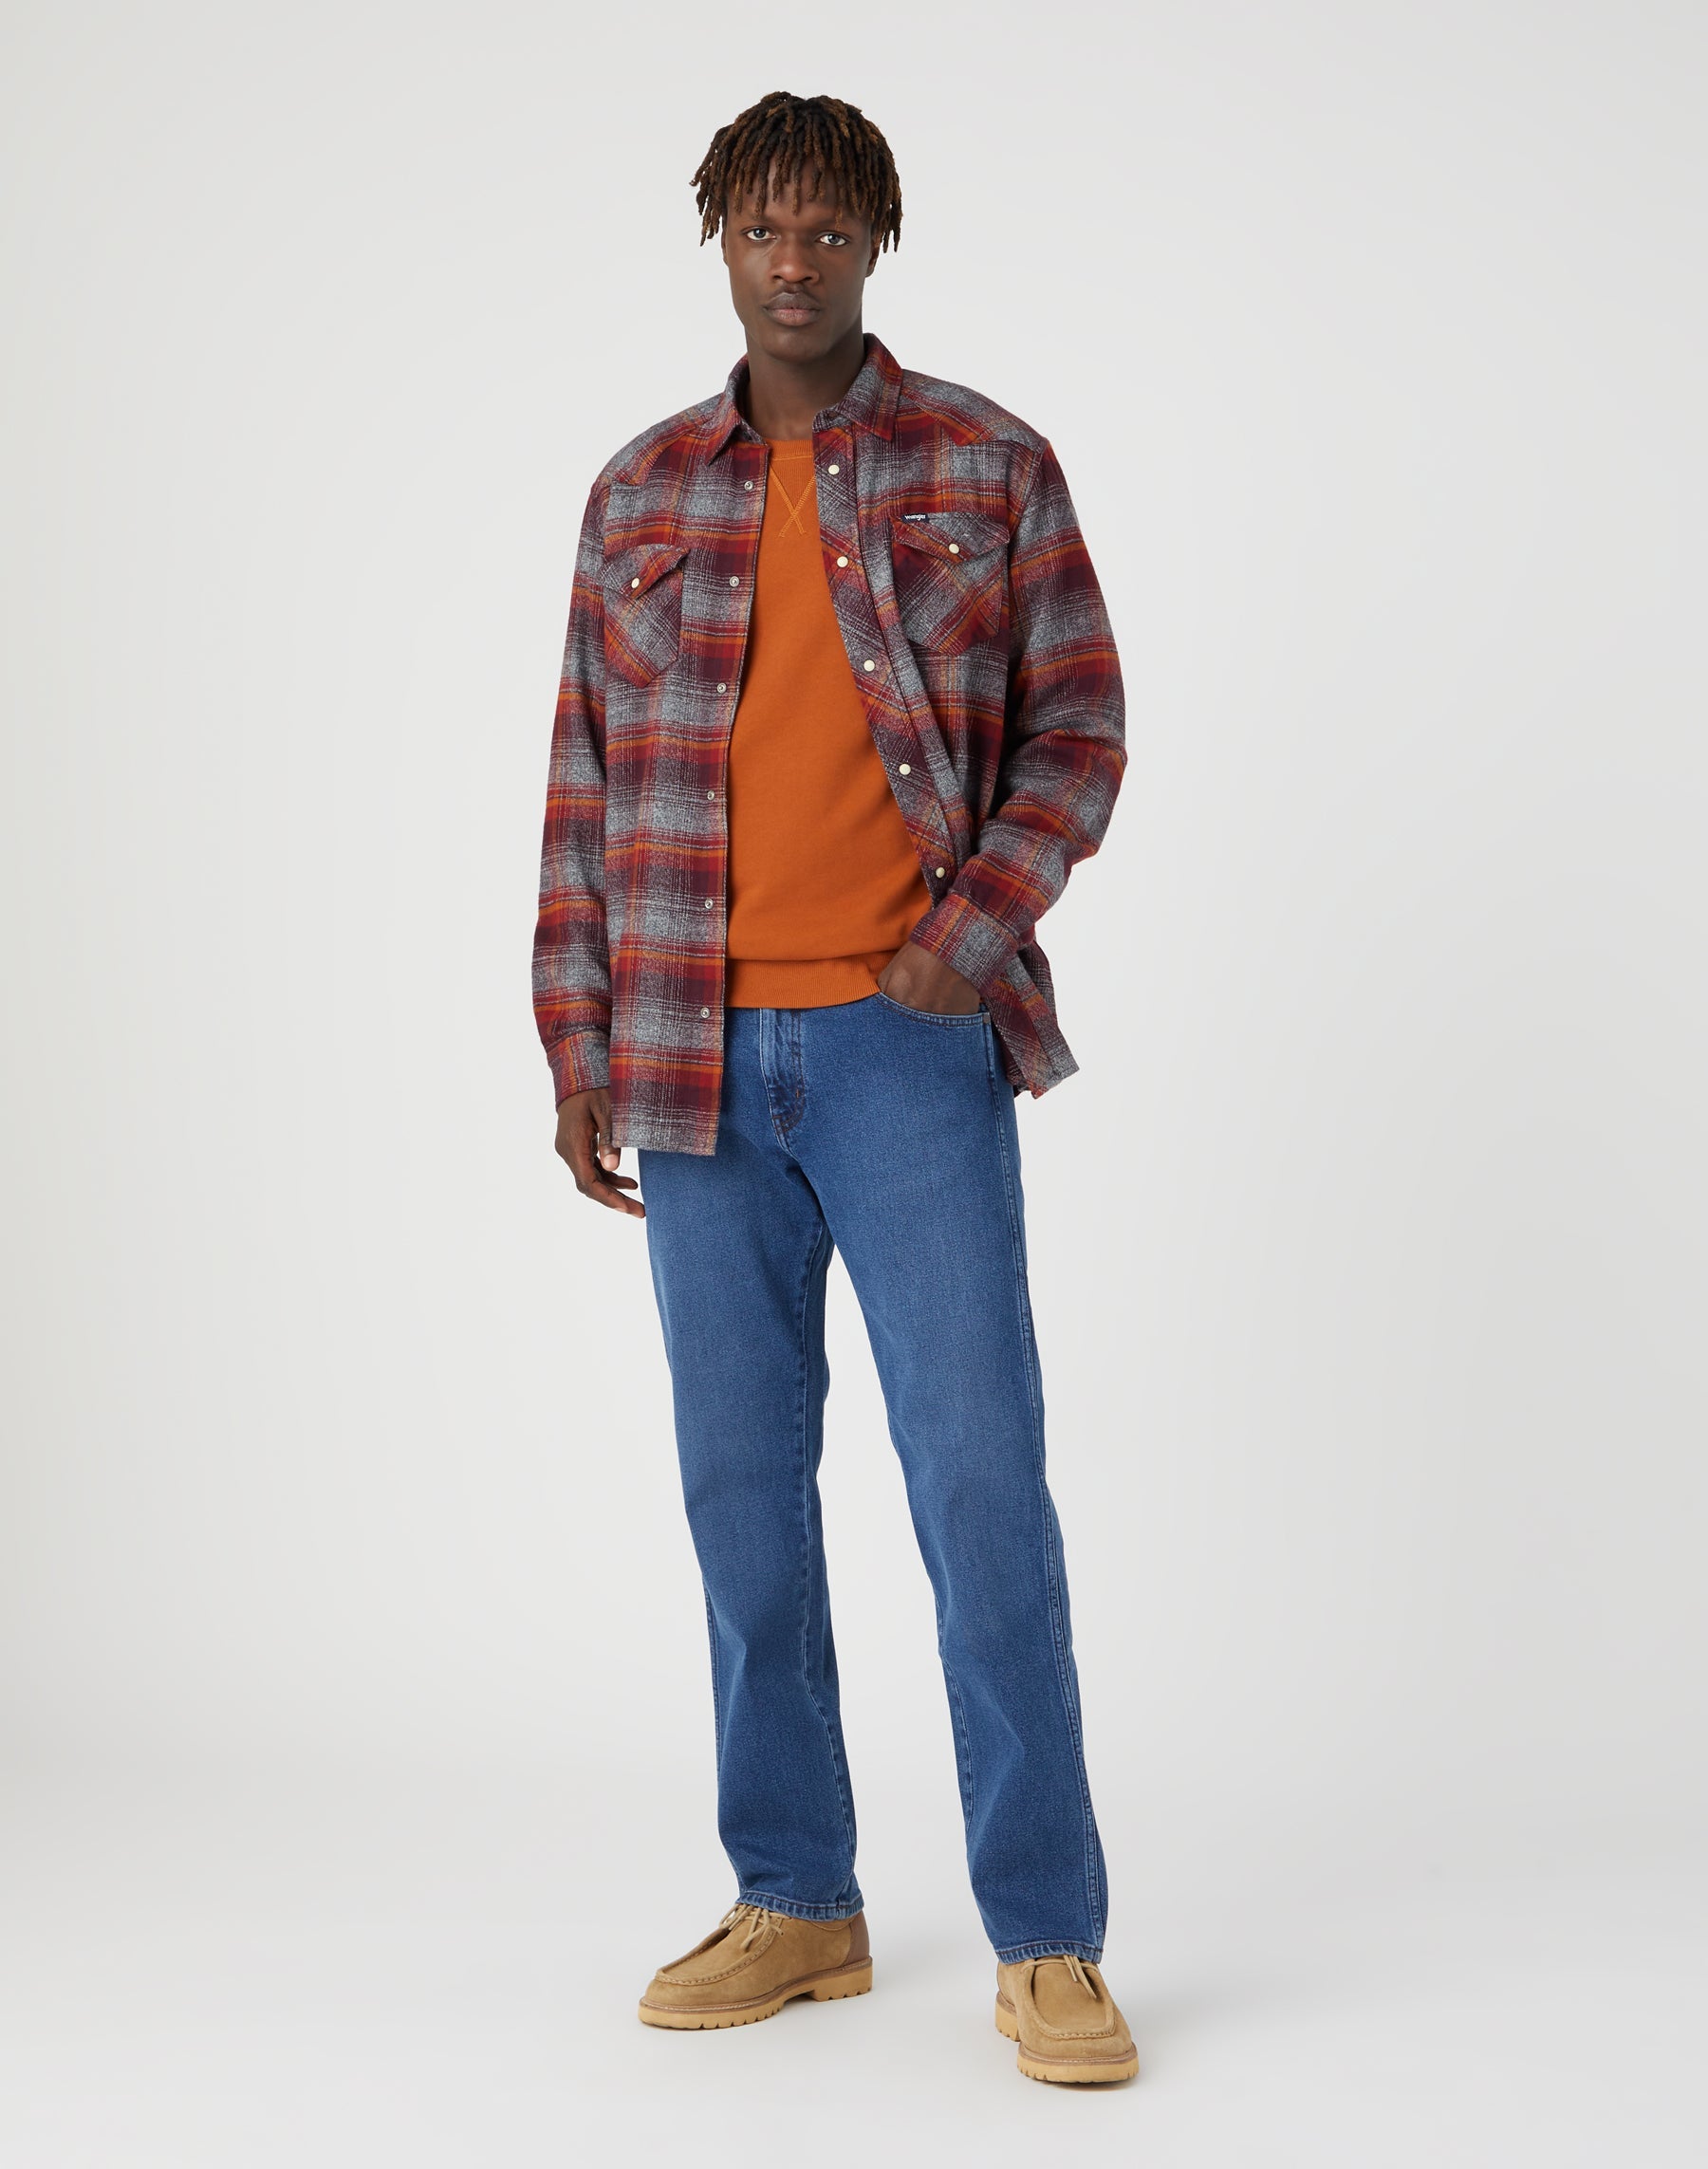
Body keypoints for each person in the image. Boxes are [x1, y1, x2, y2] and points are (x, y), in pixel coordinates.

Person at [532, 90, 1133, 2086]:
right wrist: (575, 1036)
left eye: (826, 229)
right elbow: (584, 779)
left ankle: (1047, 1935)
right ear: (719, 242)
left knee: (979, 1485)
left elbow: (1080, 730)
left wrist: (967, 936)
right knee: (739, 1497)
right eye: (760, 229)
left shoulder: (986, 460)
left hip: (906, 1051)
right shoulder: (637, 493)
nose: (791, 262)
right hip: (689, 1054)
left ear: (875, 240)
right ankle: (799, 1899)